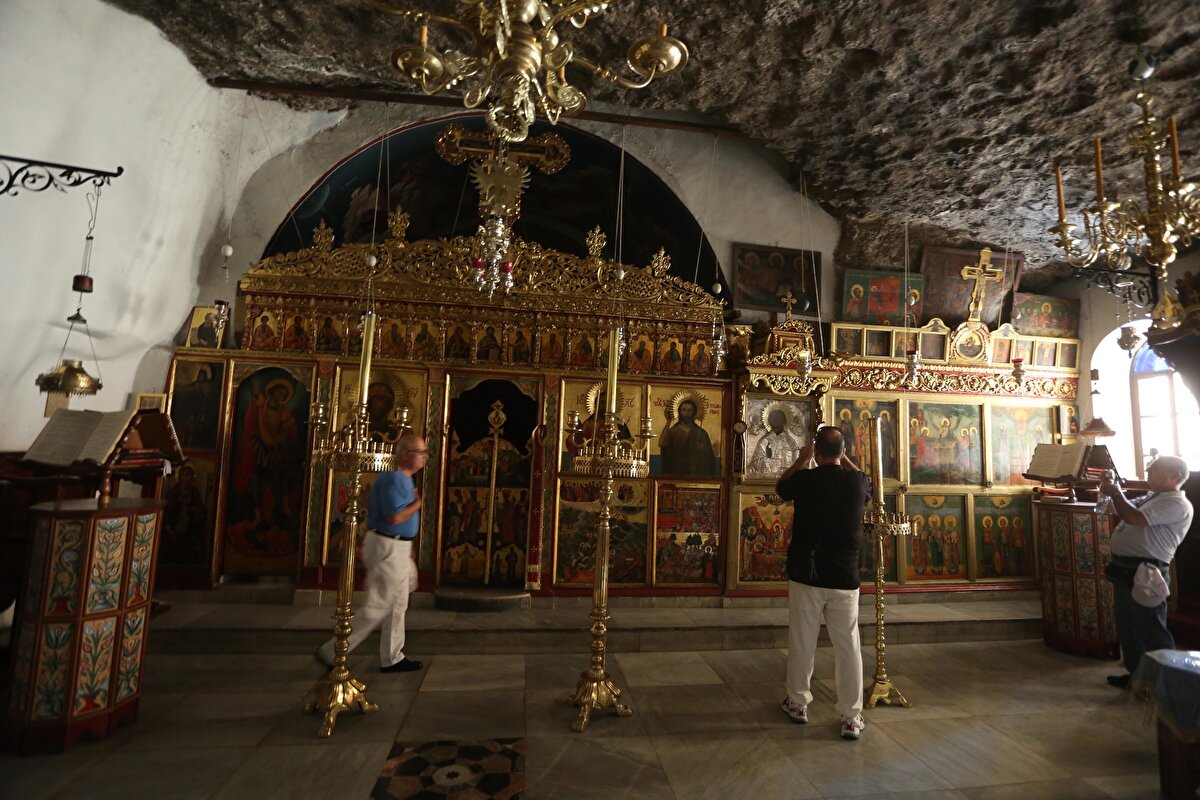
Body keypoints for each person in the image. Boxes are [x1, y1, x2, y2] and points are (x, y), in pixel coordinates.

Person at [775, 426, 872, 740]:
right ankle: (851, 716)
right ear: (842, 453)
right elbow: (866, 482)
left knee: (803, 639)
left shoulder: (805, 479)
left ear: (816, 453)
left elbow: (781, 487)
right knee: (848, 646)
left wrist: (802, 459)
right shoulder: (856, 483)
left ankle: (798, 702)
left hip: (808, 573)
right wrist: (846, 460)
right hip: (844, 576)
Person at [316, 433, 429, 673]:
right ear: (405, 454)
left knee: (399, 602)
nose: (424, 457)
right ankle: (333, 650)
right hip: (388, 546)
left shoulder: (405, 480)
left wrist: (406, 548)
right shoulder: (393, 480)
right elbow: (395, 517)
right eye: (420, 452)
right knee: (379, 605)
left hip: (396, 546)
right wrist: (418, 504)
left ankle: (393, 657)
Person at [1100, 456, 1193, 688]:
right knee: (1128, 627)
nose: (1149, 471)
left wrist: (1115, 492)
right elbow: (1116, 509)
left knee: (1150, 628)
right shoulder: (1153, 497)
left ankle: (1170, 684)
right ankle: (1138, 677)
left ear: (1174, 476)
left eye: (1155, 469)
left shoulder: (1176, 503)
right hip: (1125, 570)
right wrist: (1109, 489)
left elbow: (1134, 518)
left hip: (1146, 571)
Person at [659, 398, 717, 475]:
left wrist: (702, 450)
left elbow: (709, 459)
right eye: (684, 410)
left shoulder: (702, 433)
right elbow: (662, 444)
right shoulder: (673, 431)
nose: (686, 413)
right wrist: (668, 422)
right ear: (679, 411)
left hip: (695, 473)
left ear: (694, 412)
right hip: (676, 472)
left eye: (690, 410)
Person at [747, 408, 802, 479]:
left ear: (784, 421)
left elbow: (797, 463)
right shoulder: (765, 441)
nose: (777, 421)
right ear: (770, 422)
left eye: (779, 419)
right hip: (767, 480)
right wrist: (768, 458)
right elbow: (755, 464)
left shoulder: (791, 442)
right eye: (774, 419)